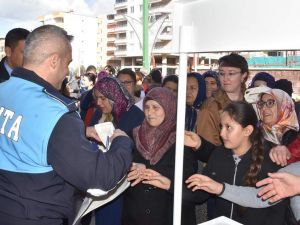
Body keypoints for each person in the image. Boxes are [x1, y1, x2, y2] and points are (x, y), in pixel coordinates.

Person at [0, 25, 133, 225]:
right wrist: (122, 142)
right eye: (67, 63)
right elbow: (100, 177)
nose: (67, 71)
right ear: (54, 60)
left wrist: (78, 131)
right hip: (38, 216)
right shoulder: (55, 113)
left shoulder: (4, 90)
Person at [184, 101, 288, 225]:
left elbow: (278, 210)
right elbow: (200, 194)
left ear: (247, 130)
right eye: (221, 126)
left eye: (228, 127)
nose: (222, 133)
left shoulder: (270, 160)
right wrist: (169, 185)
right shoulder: (218, 155)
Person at [122, 87, 198, 225]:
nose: (150, 113)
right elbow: (121, 167)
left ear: (169, 108)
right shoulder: (132, 135)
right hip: (136, 214)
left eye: (156, 107)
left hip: (169, 213)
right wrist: (130, 167)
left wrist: (147, 169)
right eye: (147, 107)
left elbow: (188, 177)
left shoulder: (182, 139)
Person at [92, 77, 145, 225]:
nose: (98, 103)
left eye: (103, 98)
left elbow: (141, 150)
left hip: (127, 184)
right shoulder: (98, 114)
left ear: (115, 96)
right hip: (103, 180)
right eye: (96, 98)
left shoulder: (134, 115)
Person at [196, 53, 249, 145]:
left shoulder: (252, 101)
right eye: (221, 73)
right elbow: (207, 148)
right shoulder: (211, 106)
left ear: (244, 75)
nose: (225, 78)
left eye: (231, 73)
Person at [244, 87, 300, 166]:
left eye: (270, 103)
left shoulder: (296, 138)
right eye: (261, 104)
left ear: (284, 105)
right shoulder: (253, 135)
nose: (263, 108)